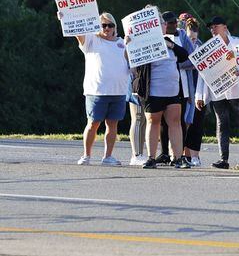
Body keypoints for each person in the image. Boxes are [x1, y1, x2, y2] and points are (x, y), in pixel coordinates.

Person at [195, 16, 239, 169]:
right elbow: (202, 73)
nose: (212, 30)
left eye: (215, 27)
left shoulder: (237, 42)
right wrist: (199, 95)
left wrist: (237, 61)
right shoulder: (208, 47)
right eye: (211, 28)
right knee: (222, 124)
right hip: (218, 91)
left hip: (236, 90)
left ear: (224, 27)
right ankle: (224, 159)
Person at [130, 11, 190, 169]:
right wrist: (130, 42)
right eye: (162, 24)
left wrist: (171, 45)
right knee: (153, 122)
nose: (165, 26)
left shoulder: (170, 40)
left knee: (175, 122)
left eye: (164, 23)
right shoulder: (145, 43)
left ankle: (177, 157)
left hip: (173, 90)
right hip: (154, 90)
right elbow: (133, 63)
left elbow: (184, 55)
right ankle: (150, 157)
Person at [72, 12, 131, 166]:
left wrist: (131, 44)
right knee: (93, 123)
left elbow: (131, 60)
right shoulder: (92, 39)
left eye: (110, 25)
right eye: (103, 25)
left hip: (118, 90)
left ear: (115, 27)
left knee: (112, 125)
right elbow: (78, 34)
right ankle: (86, 155)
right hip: (97, 90)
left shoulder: (122, 42)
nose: (107, 28)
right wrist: (66, 18)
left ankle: (108, 156)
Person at [155, 11, 194, 165]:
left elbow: (192, 58)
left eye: (174, 22)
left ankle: (180, 153)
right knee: (162, 122)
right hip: (162, 83)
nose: (172, 25)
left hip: (182, 84)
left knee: (180, 120)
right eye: (169, 23)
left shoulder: (182, 36)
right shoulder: (158, 37)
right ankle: (164, 152)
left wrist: (173, 63)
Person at [181, 18, 205, 166]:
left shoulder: (202, 46)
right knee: (183, 122)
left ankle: (192, 156)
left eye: (194, 39)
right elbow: (181, 63)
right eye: (190, 38)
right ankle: (180, 154)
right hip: (186, 88)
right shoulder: (181, 46)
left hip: (199, 88)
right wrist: (192, 63)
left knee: (195, 123)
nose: (192, 42)